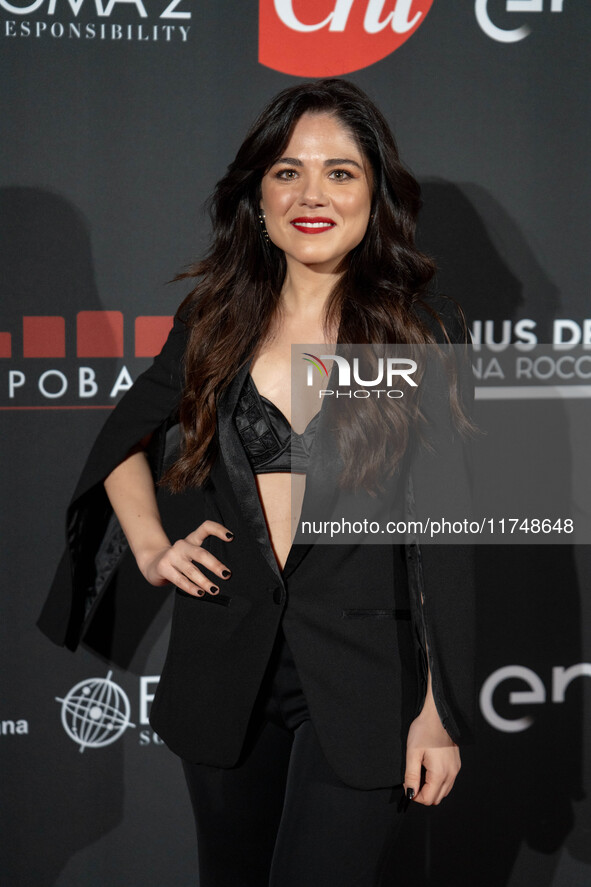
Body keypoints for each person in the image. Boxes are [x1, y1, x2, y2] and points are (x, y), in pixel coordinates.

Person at [38, 78, 475, 886]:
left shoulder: (418, 330)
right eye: (287, 172)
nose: (312, 194)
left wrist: (438, 711)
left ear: (374, 195)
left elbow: (444, 541)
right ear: (257, 197)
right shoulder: (214, 319)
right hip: (225, 666)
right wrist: (149, 546)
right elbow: (116, 438)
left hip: (362, 676)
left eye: (340, 172)